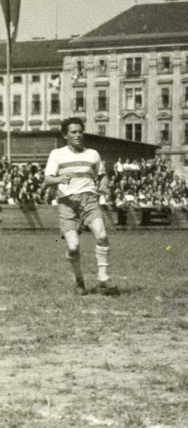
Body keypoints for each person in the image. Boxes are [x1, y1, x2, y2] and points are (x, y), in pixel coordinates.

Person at [43, 117, 116, 295]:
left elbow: (102, 176)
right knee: (74, 246)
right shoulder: (57, 154)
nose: (78, 135)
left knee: (102, 235)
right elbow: (47, 179)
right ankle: (79, 279)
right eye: (73, 132)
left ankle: (102, 277)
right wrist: (59, 179)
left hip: (89, 200)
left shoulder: (93, 154)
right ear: (65, 135)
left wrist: (104, 184)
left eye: (80, 131)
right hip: (68, 203)